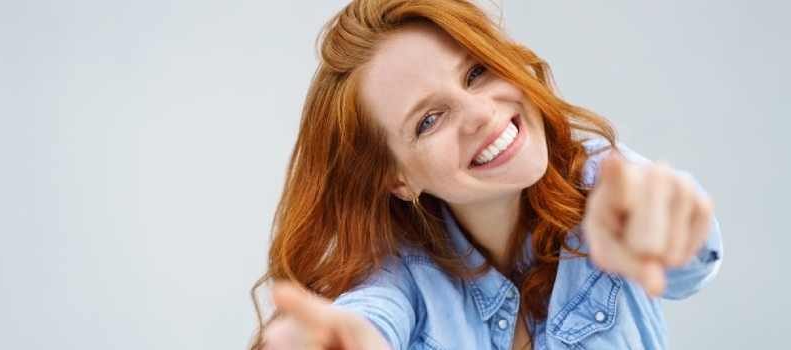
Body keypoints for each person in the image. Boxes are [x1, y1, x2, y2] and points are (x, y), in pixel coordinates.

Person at [250, 0, 723, 349]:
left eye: (475, 72)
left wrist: (670, 226)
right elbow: (370, 317)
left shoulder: (605, 181)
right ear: (399, 180)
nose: (480, 113)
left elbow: (684, 251)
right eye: (428, 120)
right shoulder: (400, 280)